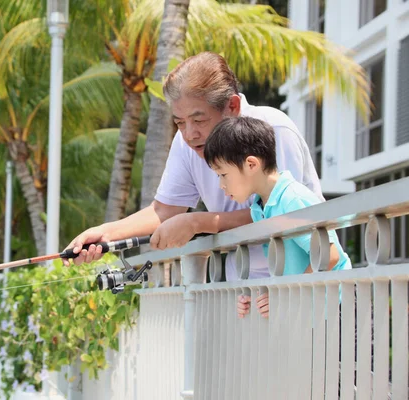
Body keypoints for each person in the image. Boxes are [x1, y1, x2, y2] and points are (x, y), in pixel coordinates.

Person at [63, 51, 322, 281]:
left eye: (199, 120)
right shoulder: (185, 142)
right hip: (239, 286)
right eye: (179, 122)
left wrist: (198, 222)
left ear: (232, 106)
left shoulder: (274, 128)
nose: (189, 134)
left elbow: (284, 212)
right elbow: (165, 211)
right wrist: (106, 233)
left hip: (300, 282)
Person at [203, 116, 351, 318]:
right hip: (315, 313)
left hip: (339, 307)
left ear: (251, 164)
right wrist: (256, 299)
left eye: (223, 174)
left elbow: (329, 255)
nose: (221, 184)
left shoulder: (291, 198)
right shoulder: (260, 207)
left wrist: (285, 294)